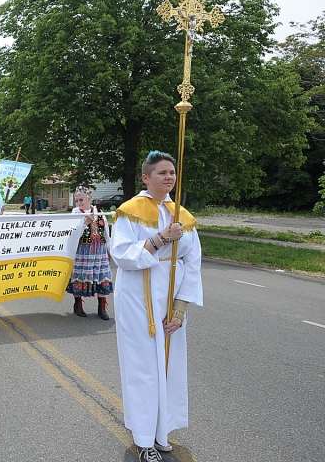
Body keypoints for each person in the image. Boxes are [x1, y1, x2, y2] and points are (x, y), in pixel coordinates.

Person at [111, 151, 203, 462]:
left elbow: (193, 263)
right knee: (144, 369)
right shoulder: (129, 212)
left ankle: (162, 433)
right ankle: (143, 439)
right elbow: (121, 255)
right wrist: (162, 237)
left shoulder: (183, 216)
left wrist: (180, 310)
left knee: (169, 367)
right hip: (138, 298)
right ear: (146, 178)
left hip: (170, 301)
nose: (168, 177)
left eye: (172, 172)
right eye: (161, 172)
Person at [67, 186, 113, 320]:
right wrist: (84, 223)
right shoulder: (75, 213)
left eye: (81, 199)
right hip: (82, 249)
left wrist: (109, 249)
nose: (79, 202)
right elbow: (72, 233)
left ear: (89, 199)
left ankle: (102, 306)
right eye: (77, 200)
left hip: (99, 249)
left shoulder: (98, 212)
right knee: (80, 275)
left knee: (102, 274)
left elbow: (106, 232)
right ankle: (78, 304)